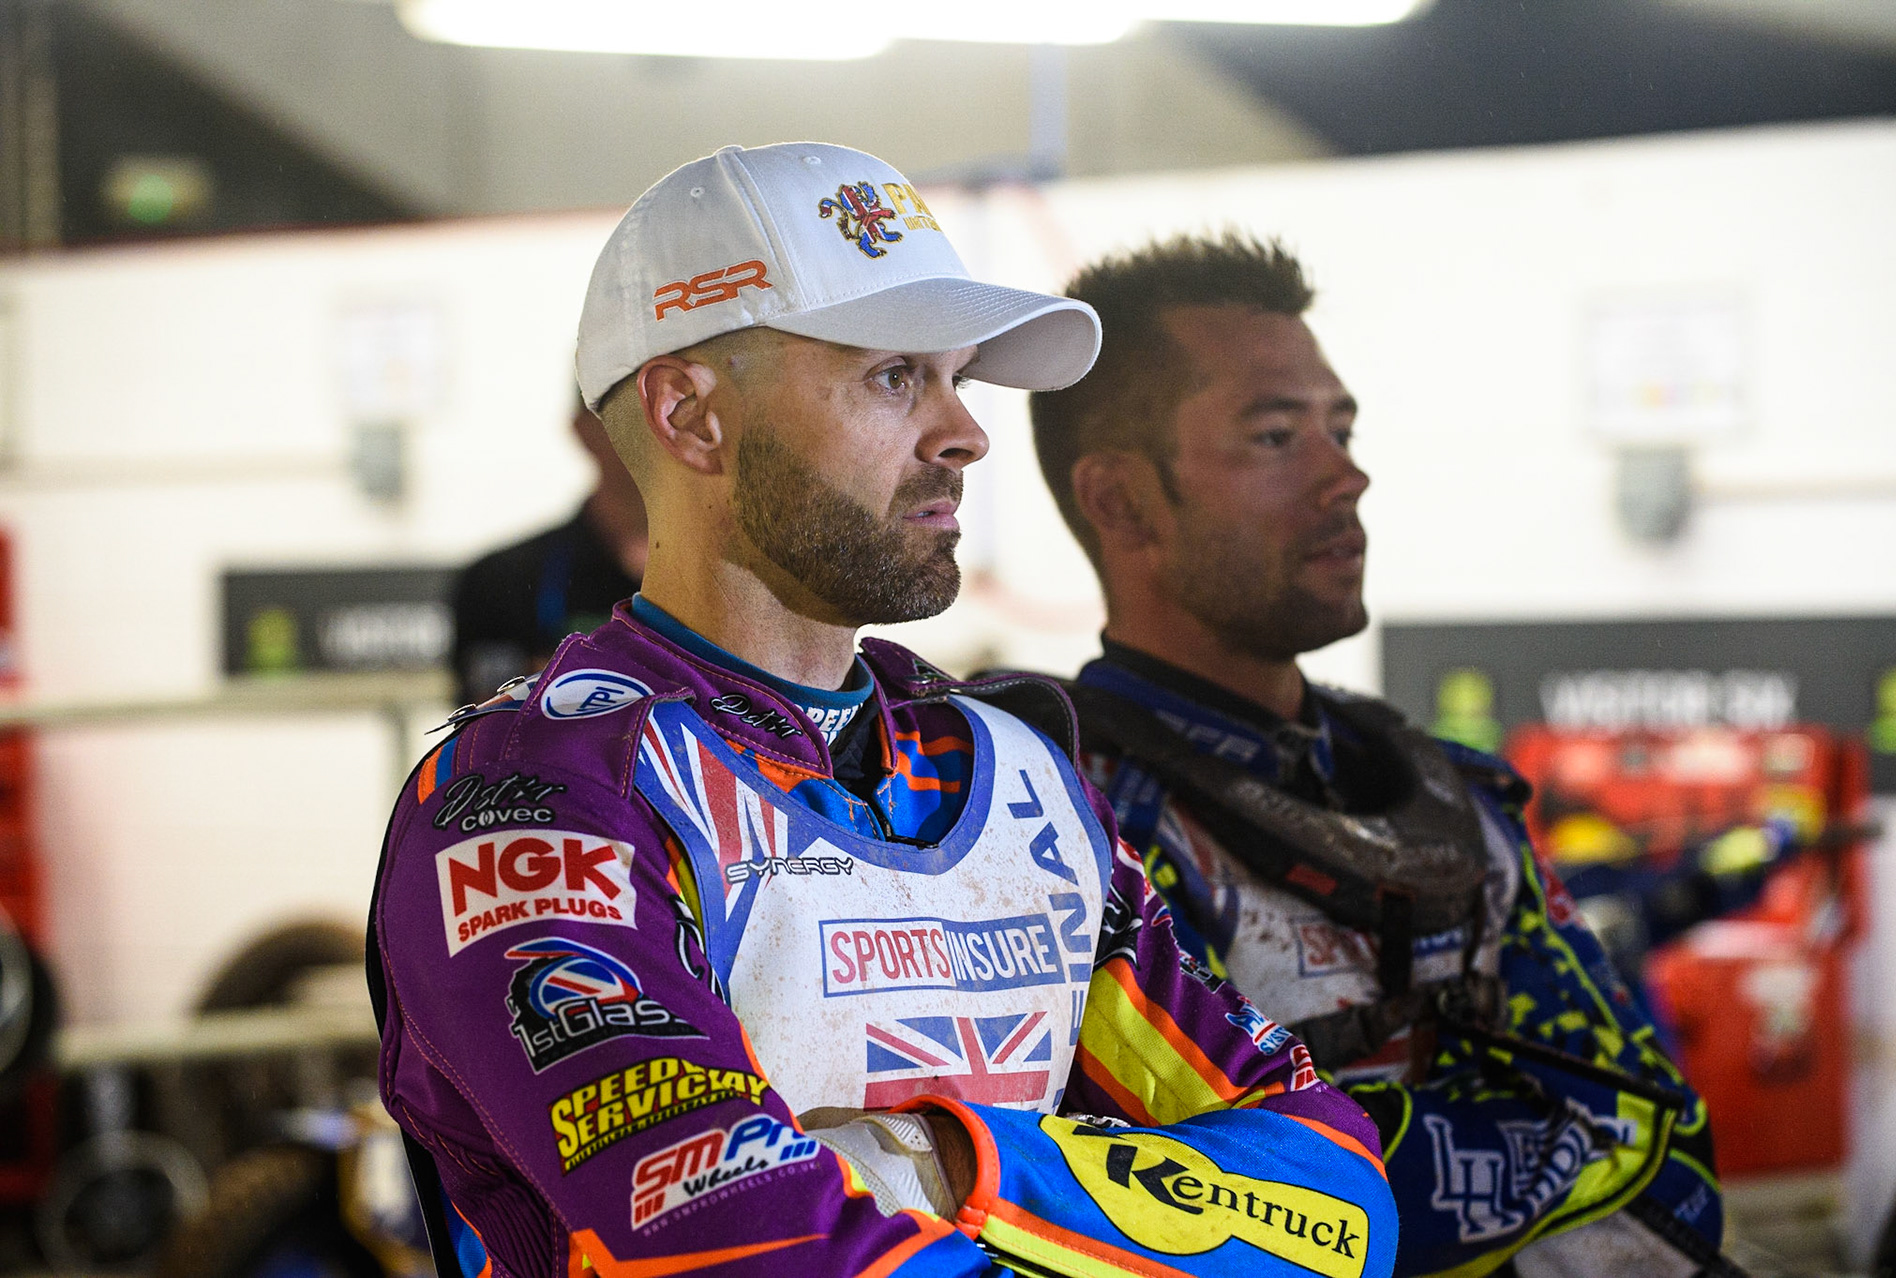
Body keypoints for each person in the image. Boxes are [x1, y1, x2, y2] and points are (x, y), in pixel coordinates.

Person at [368, 146, 1397, 1278]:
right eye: (896, 375)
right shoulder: (534, 800)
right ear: (692, 416)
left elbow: (1339, 1194)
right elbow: (749, 1253)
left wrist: (964, 1171)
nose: (967, 432)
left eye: (960, 376)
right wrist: (1129, 1222)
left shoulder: (1013, 773)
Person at [1025, 235, 1732, 1277]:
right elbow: (1233, 1218)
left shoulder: (1456, 797)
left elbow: (1667, 1146)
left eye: (1341, 428)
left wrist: (1365, 1152)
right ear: (1122, 500)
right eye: (1275, 437)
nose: (1346, 476)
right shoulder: (1051, 822)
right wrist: (1543, 1148)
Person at [450, 400, 648, 706]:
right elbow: (489, 721)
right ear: (583, 431)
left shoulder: (737, 579)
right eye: (638, 416)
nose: (659, 435)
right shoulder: (499, 583)